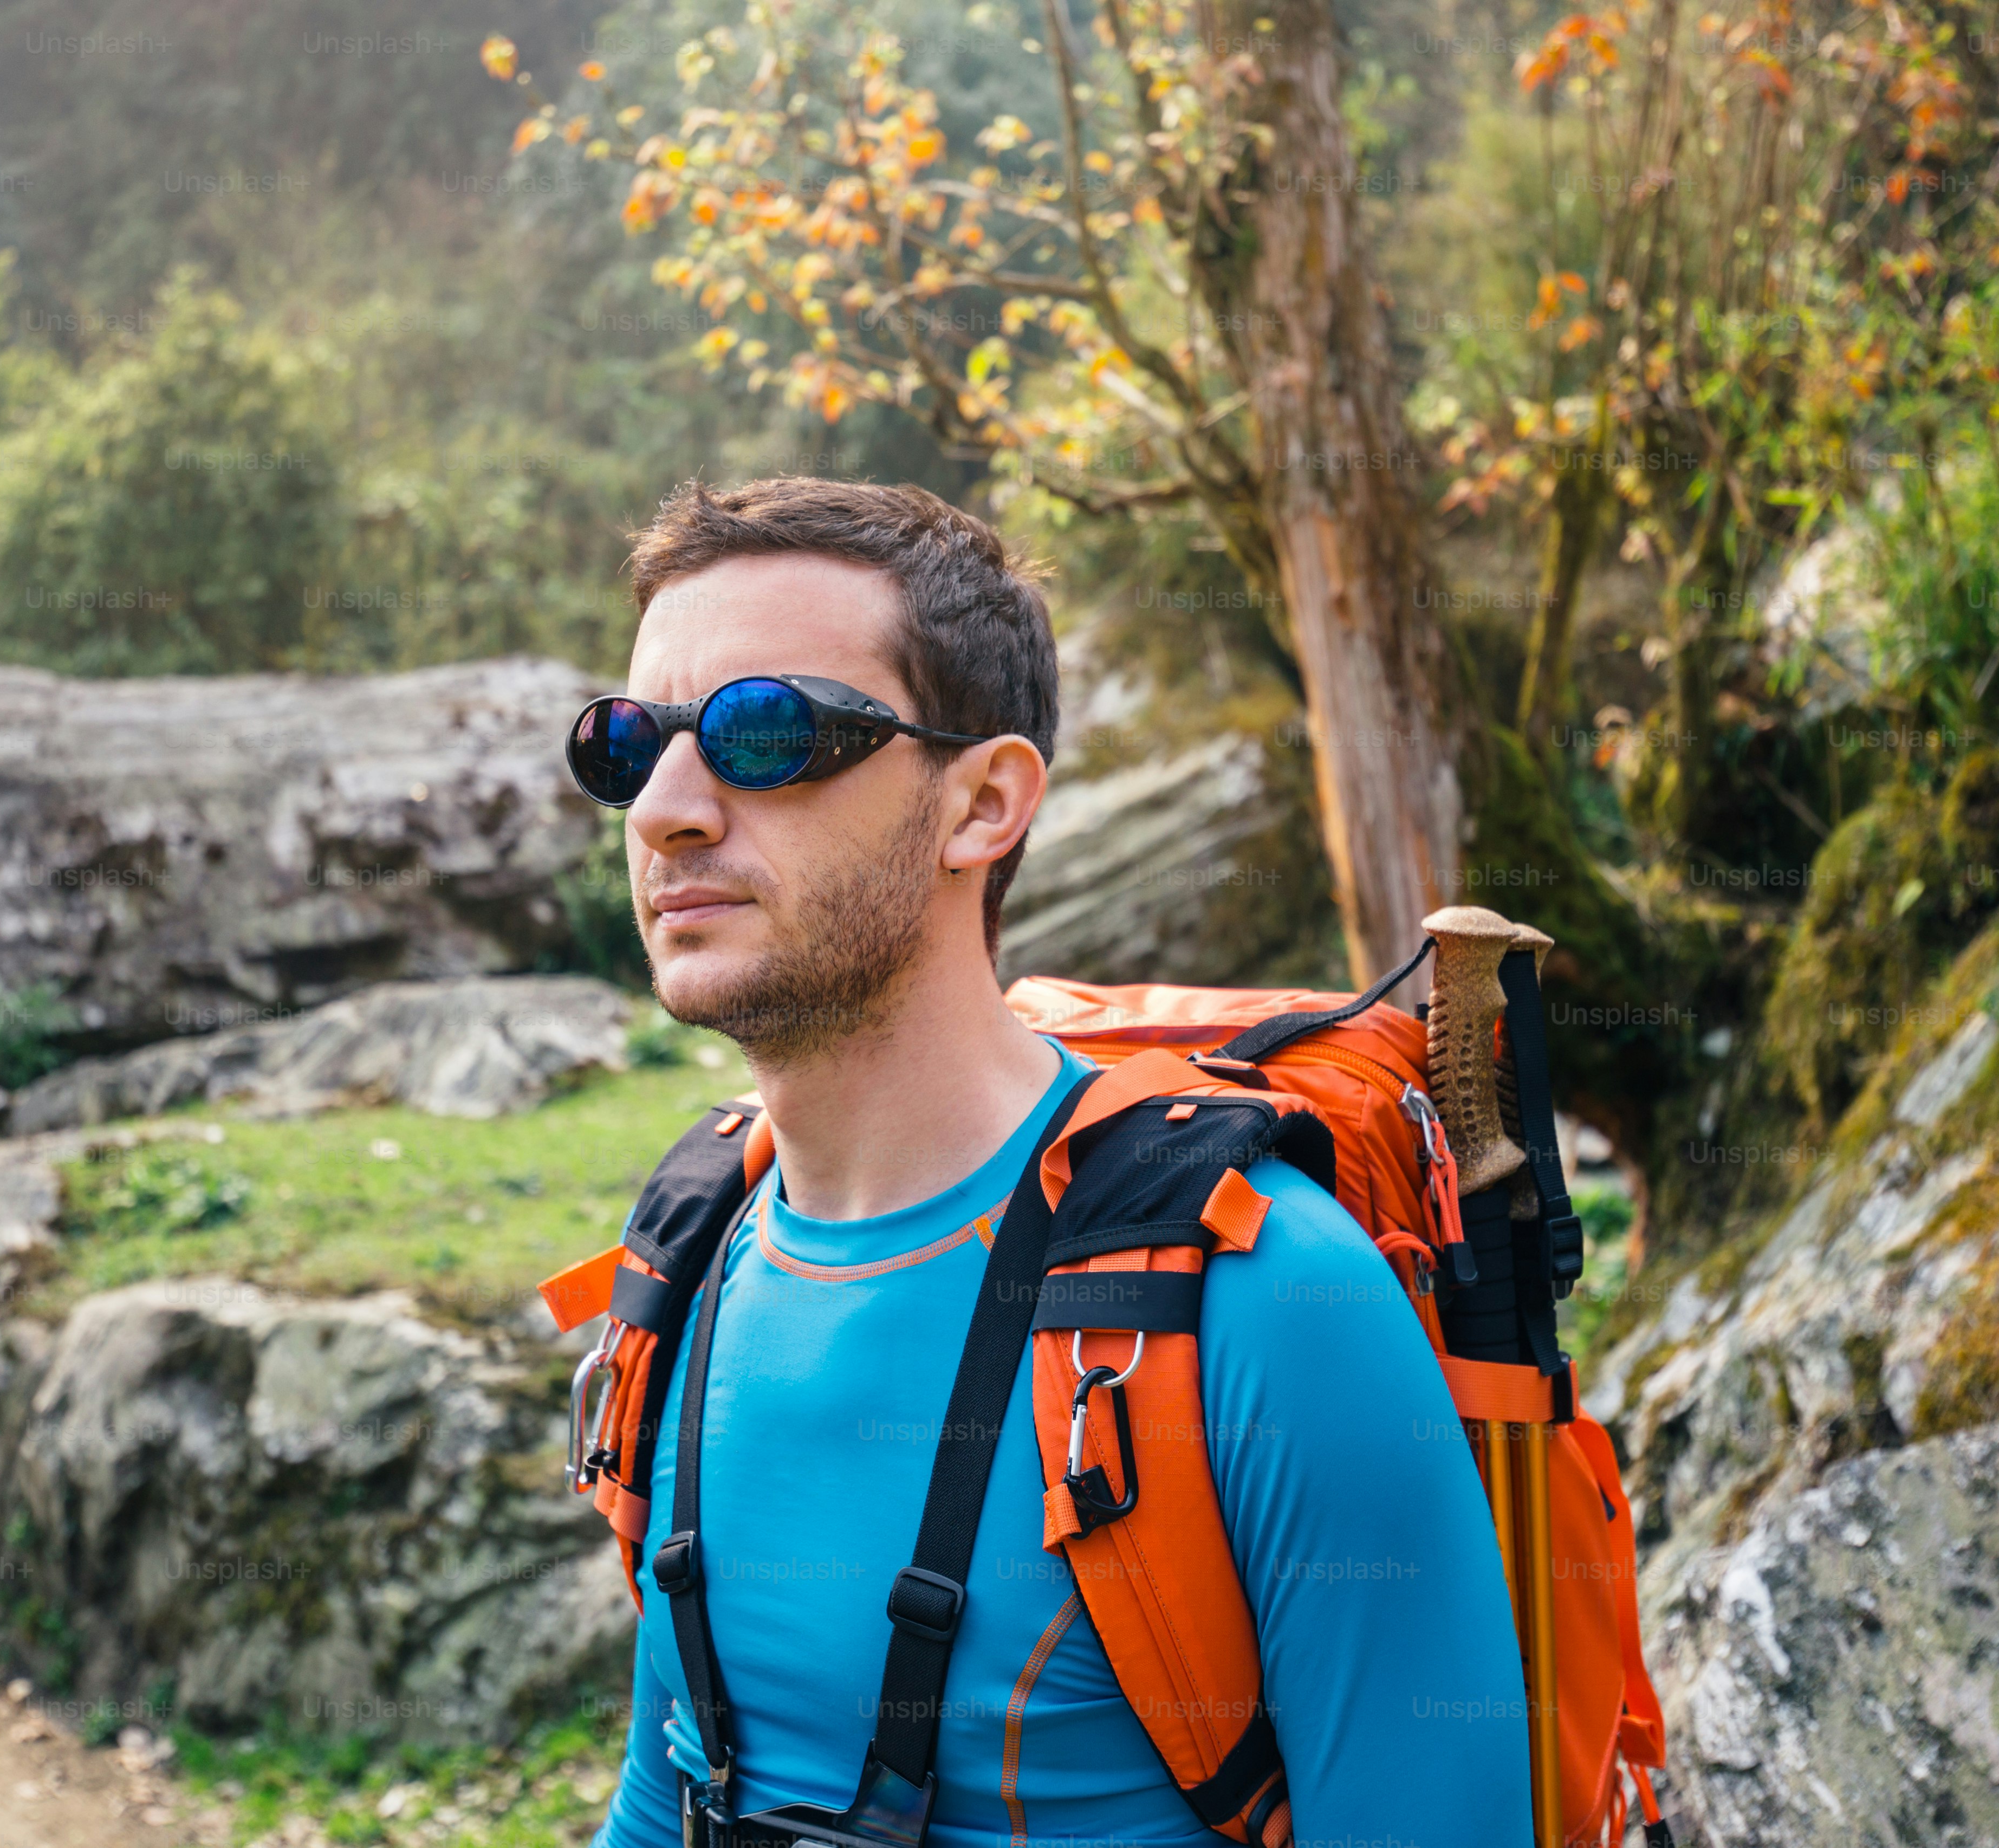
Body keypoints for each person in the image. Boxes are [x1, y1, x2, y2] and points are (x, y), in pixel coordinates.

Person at [581, 477, 1530, 1846]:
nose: (666, 808)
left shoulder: (1269, 1302)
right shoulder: (692, 1260)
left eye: (763, 731)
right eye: (628, 744)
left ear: (984, 803)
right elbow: (659, 1795)